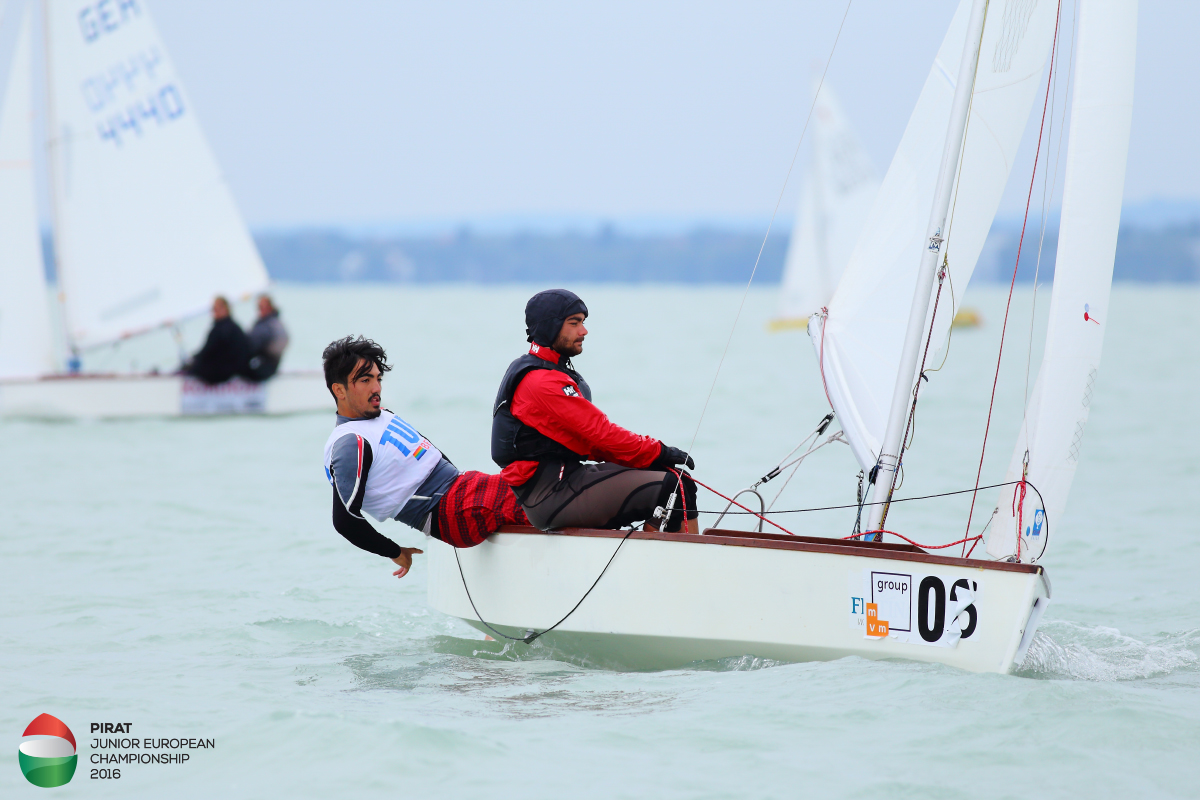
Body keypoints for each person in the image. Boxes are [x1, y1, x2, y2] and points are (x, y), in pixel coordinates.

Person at [492, 289, 698, 533]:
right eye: (574, 323)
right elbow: (602, 433)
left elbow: (593, 444)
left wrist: (654, 459)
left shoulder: (551, 371)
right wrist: (659, 451)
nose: (584, 331)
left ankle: (676, 551)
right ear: (550, 326)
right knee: (672, 488)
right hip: (550, 495)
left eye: (583, 322)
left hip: (568, 479)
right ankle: (677, 556)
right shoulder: (541, 381)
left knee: (680, 481)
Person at [322, 336, 529, 579]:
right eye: (365, 380)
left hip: (464, 490)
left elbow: (432, 456)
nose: (376, 388)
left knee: (538, 475)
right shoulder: (350, 443)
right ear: (339, 390)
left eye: (378, 379)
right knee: (540, 497)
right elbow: (345, 520)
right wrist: (395, 551)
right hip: (451, 512)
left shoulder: (380, 416)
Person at [185, 296, 249, 385]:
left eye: (216, 308)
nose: (214, 311)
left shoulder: (222, 329)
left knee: (192, 368)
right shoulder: (234, 327)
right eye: (213, 309)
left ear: (225, 309)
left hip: (222, 373)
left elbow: (207, 351)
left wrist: (193, 360)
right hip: (232, 371)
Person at [242, 294, 290, 382]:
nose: (261, 310)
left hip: (267, 362)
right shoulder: (265, 323)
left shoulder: (272, 324)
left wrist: (263, 352)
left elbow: (280, 343)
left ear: (270, 307)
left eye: (262, 307)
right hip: (261, 360)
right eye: (259, 307)